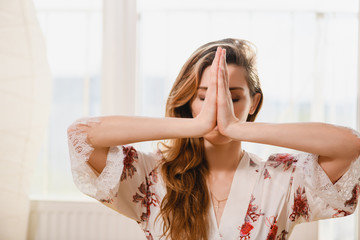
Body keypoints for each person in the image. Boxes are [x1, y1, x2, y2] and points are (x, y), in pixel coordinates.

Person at [67, 38, 360, 240]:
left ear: (254, 102)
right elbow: (81, 136)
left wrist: (237, 127)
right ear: (187, 101)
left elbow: (350, 145)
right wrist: (194, 125)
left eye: (234, 97)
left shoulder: (283, 178)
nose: (220, 110)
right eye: (204, 98)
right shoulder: (151, 176)